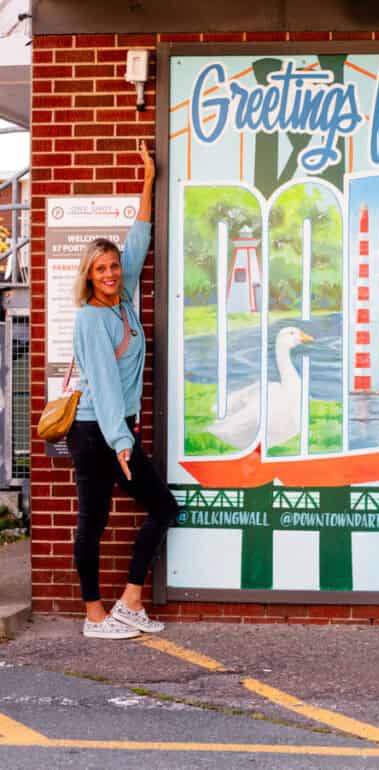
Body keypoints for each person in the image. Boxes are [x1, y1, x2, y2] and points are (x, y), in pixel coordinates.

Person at [68, 139, 178, 640]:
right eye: (101, 269)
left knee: (153, 510)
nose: (111, 273)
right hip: (98, 431)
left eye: (113, 267)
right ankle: (96, 616)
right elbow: (107, 386)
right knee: (99, 519)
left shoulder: (123, 301)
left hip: (115, 431)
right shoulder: (93, 319)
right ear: (88, 276)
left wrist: (149, 176)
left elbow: (140, 235)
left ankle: (129, 602)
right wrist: (123, 442)